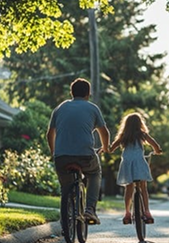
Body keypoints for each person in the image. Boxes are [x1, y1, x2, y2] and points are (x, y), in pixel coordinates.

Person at [46, 78, 110, 224]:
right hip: (85, 156)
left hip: (61, 156)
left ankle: (65, 219)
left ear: (71, 93)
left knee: (65, 188)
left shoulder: (60, 108)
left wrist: (54, 152)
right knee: (95, 173)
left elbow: (49, 134)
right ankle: (90, 209)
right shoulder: (92, 108)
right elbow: (104, 133)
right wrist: (105, 148)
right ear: (88, 93)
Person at [110, 112, 162, 225]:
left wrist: (107, 149)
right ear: (140, 124)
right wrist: (157, 150)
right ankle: (147, 212)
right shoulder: (142, 134)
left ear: (126, 125)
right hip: (139, 162)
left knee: (129, 188)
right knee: (143, 187)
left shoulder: (123, 136)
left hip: (127, 163)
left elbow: (112, 147)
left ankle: (127, 212)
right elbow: (154, 144)